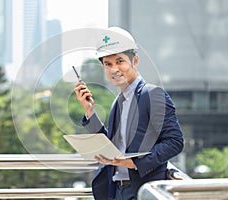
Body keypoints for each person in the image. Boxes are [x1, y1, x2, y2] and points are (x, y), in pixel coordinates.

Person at [74, 27, 184, 200]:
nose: (114, 69)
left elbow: (175, 141)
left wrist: (135, 163)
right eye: (108, 64)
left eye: (120, 61)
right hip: (115, 189)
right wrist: (89, 111)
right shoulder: (118, 102)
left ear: (135, 61)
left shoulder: (152, 94)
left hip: (141, 189)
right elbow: (111, 147)